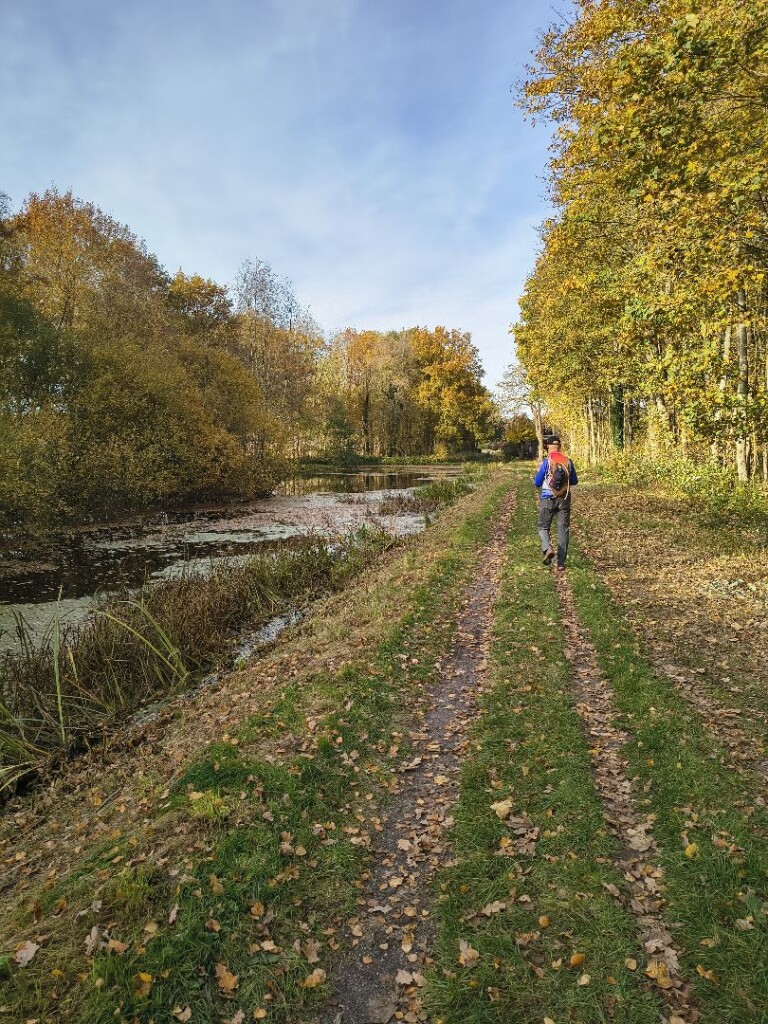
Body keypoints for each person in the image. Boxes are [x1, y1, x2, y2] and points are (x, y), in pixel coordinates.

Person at [532, 435, 578, 571]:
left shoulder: (547, 462)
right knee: (563, 530)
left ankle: (548, 548)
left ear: (548, 447)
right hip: (564, 500)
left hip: (548, 499)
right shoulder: (568, 461)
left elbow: (537, 483)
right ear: (560, 446)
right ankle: (561, 563)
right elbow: (574, 481)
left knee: (542, 527)